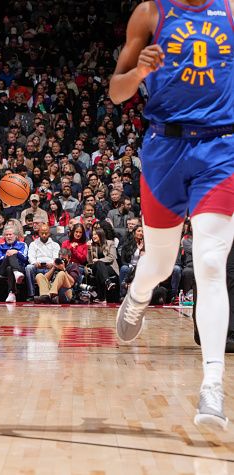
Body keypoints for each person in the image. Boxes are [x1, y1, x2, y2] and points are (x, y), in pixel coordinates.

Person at [110, 0, 234, 429]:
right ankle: (138, 297)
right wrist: (140, 73)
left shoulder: (230, 11)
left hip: (221, 149)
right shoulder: (149, 13)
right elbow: (116, 91)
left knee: (211, 263)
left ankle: (212, 386)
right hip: (166, 149)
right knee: (160, 263)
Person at [0, 225, 29, 303]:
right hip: (2, 268)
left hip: (19, 268)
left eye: (10, 234)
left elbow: (25, 258)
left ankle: (11, 293)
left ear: (16, 236)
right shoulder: (1, 246)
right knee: (11, 253)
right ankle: (16, 272)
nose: (8, 236)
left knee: (10, 268)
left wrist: (17, 252)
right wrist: (6, 256)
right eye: (6, 235)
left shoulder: (22, 245)